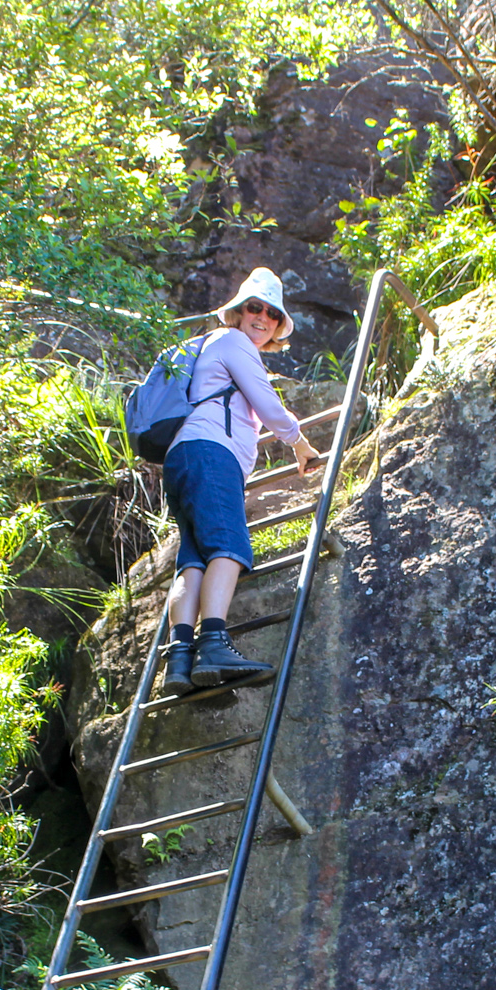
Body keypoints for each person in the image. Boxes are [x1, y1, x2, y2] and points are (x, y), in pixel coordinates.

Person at [159, 267, 322, 696]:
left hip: (183, 457)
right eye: (255, 307)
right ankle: (213, 642)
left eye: (272, 313)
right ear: (237, 310)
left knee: (193, 558)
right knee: (229, 544)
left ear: (276, 325)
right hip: (211, 455)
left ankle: (179, 658)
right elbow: (266, 403)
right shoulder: (233, 341)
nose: (262, 318)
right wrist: (299, 443)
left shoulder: (213, 346)